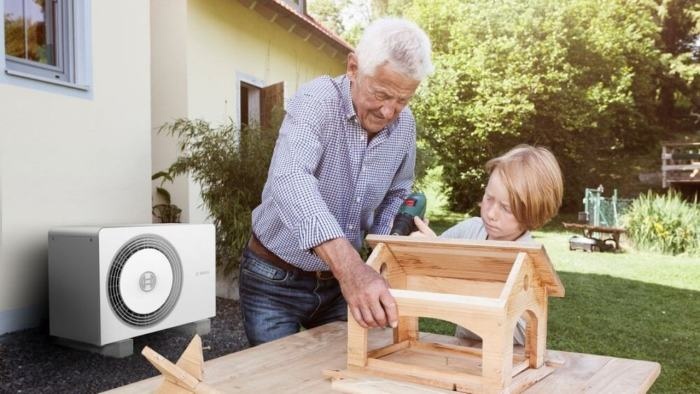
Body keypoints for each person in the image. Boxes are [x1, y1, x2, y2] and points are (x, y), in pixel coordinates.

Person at [239, 18, 434, 346]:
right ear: (354, 67)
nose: (389, 111)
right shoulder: (317, 100)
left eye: (402, 100)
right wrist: (353, 271)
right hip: (273, 279)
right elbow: (290, 179)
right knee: (280, 381)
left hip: (338, 287)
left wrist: (391, 250)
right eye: (382, 94)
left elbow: (398, 192)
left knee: (345, 376)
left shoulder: (404, 125)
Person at [413, 144, 563, 345]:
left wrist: (451, 272)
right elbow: (431, 270)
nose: (491, 213)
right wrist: (423, 249)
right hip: (464, 350)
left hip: (511, 359)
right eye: (489, 198)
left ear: (532, 214)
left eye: (506, 208)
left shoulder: (530, 260)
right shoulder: (470, 231)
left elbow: (519, 332)